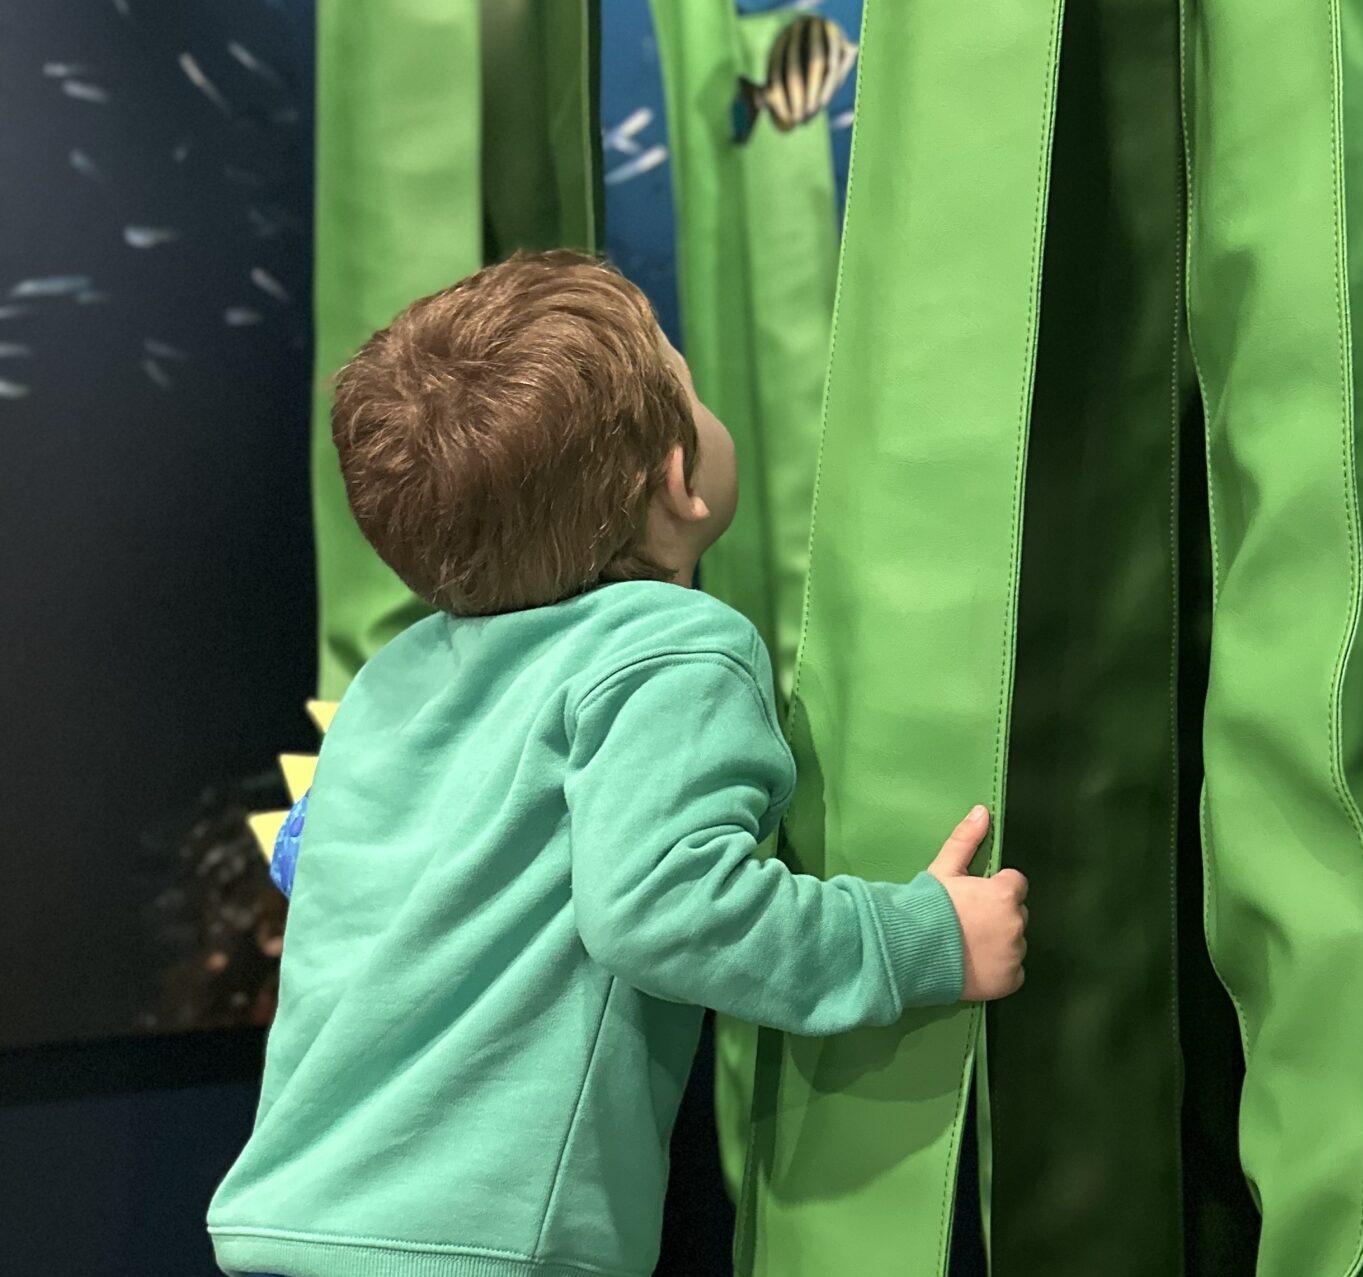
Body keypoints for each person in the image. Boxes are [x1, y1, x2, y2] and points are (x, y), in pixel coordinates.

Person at [207, 251, 1029, 1277]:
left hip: (289, 1218)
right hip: (482, 1247)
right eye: (691, 384)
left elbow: (314, 865)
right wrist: (923, 941)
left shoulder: (391, 677)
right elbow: (665, 911)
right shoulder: (672, 648)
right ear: (680, 481)